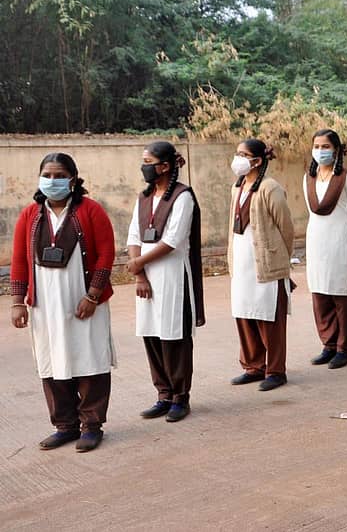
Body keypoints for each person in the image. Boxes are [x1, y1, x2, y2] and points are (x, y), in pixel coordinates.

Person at [10, 153, 116, 452]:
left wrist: (93, 295)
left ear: (73, 179)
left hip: (84, 303)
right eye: (47, 175)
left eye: (59, 176)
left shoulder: (91, 210)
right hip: (44, 305)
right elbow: (19, 259)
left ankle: (91, 426)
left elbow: (106, 253)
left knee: (90, 359)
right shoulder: (30, 215)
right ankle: (65, 426)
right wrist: (17, 301)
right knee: (52, 360)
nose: (52, 181)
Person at [127, 141, 205, 423]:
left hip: (172, 275)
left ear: (165, 166)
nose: (144, 166)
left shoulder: (182, 197)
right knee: (151, 334)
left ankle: (180, 397)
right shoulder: (144, 197)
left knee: (174, 336)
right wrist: (139, 274)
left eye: (148, 161)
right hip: (147, 277)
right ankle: (163, 395)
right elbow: (134, 236)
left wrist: (139, 263)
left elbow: (173, 240)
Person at [228, 139, 294, 391]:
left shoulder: (270, 187)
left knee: (269, 318)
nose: (238, 158)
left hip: (266, 264)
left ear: (257, 160)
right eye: (237, 153)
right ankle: (253, 366)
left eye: (243, 154)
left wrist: (281, 259)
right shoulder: (237, 187)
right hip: (241, 264)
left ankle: (275, 371)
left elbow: (285, 226)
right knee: (245, 314)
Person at [305, 129, 347, 370]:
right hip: (315, 245)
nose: (320, 151)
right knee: (320, 296)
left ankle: (344, 348)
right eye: (317, 146)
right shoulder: (308, 178)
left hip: (340, 246)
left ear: (336, 150)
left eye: (325, 146)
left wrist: (342, 236)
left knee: (341, 297)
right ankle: (328, 345)